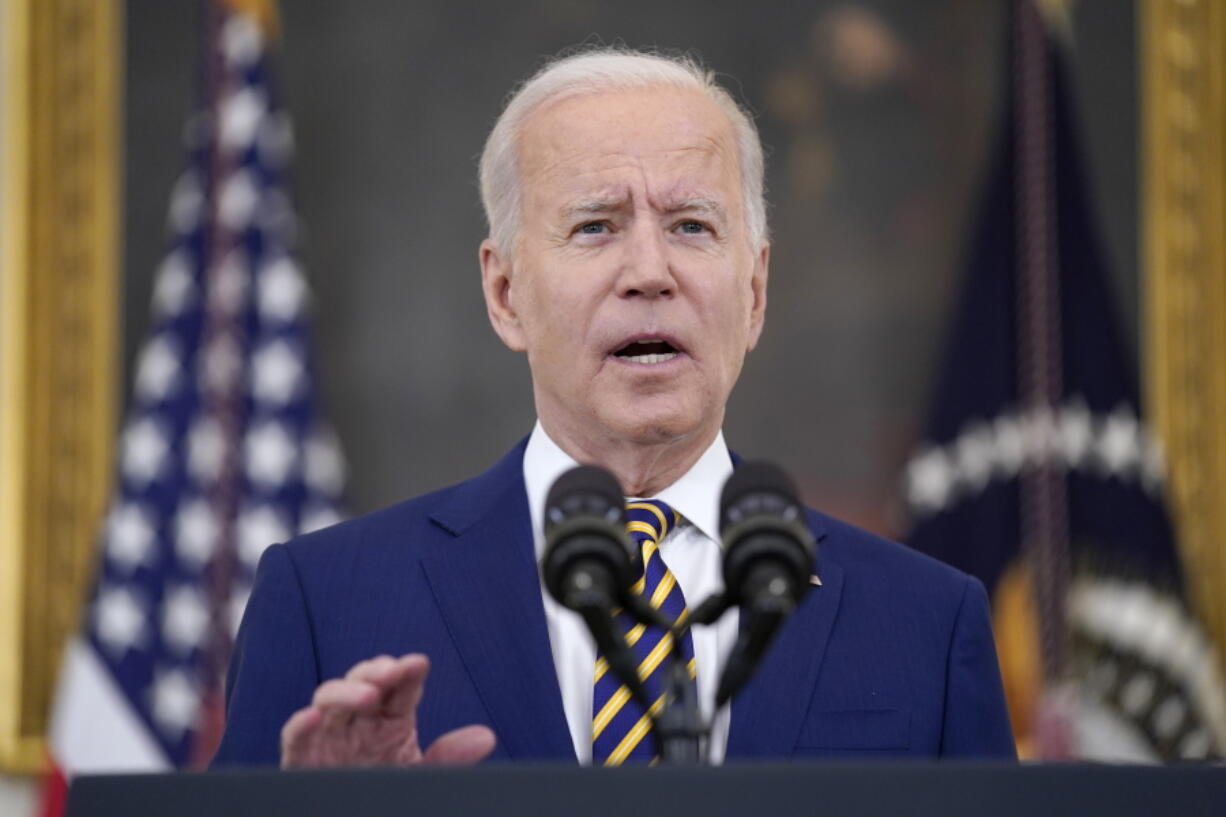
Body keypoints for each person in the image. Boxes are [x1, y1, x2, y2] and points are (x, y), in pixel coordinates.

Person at [212, 47, 1016, 768]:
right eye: (595, 226)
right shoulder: (326, 603)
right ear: (504, 293)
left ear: (756, 291)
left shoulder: (927, 624)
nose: (649, 272)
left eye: (692, 226)